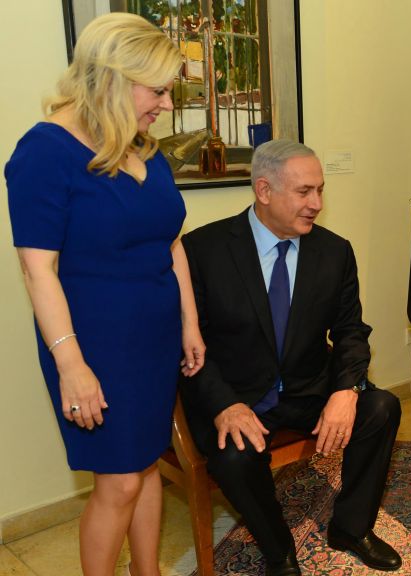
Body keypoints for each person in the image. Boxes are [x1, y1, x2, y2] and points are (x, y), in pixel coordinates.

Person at [6, 13, 205, 576]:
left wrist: (188, 323)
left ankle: (149, 571)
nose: (167, 105)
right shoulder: (43, 153)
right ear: (113, 79)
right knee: (117, 479)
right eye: (160, 90)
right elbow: (37, 271)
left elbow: (172, 244)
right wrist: (71, 365)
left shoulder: (145, 148)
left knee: (144, 466)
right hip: (93, 346)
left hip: (155, 340)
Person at [179, 140, 402, 575]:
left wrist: (347, 389)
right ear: (264, 190)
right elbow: (186, 345)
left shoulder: (334, 252)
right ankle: (279, 551)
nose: (316, 204)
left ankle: (350, 529)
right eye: (304, 192)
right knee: (234, 455)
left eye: (320, 190)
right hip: (236, 394)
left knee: (382, 407)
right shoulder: (202, 251)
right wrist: (224, 404)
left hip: (307, 387)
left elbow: (351, 332)